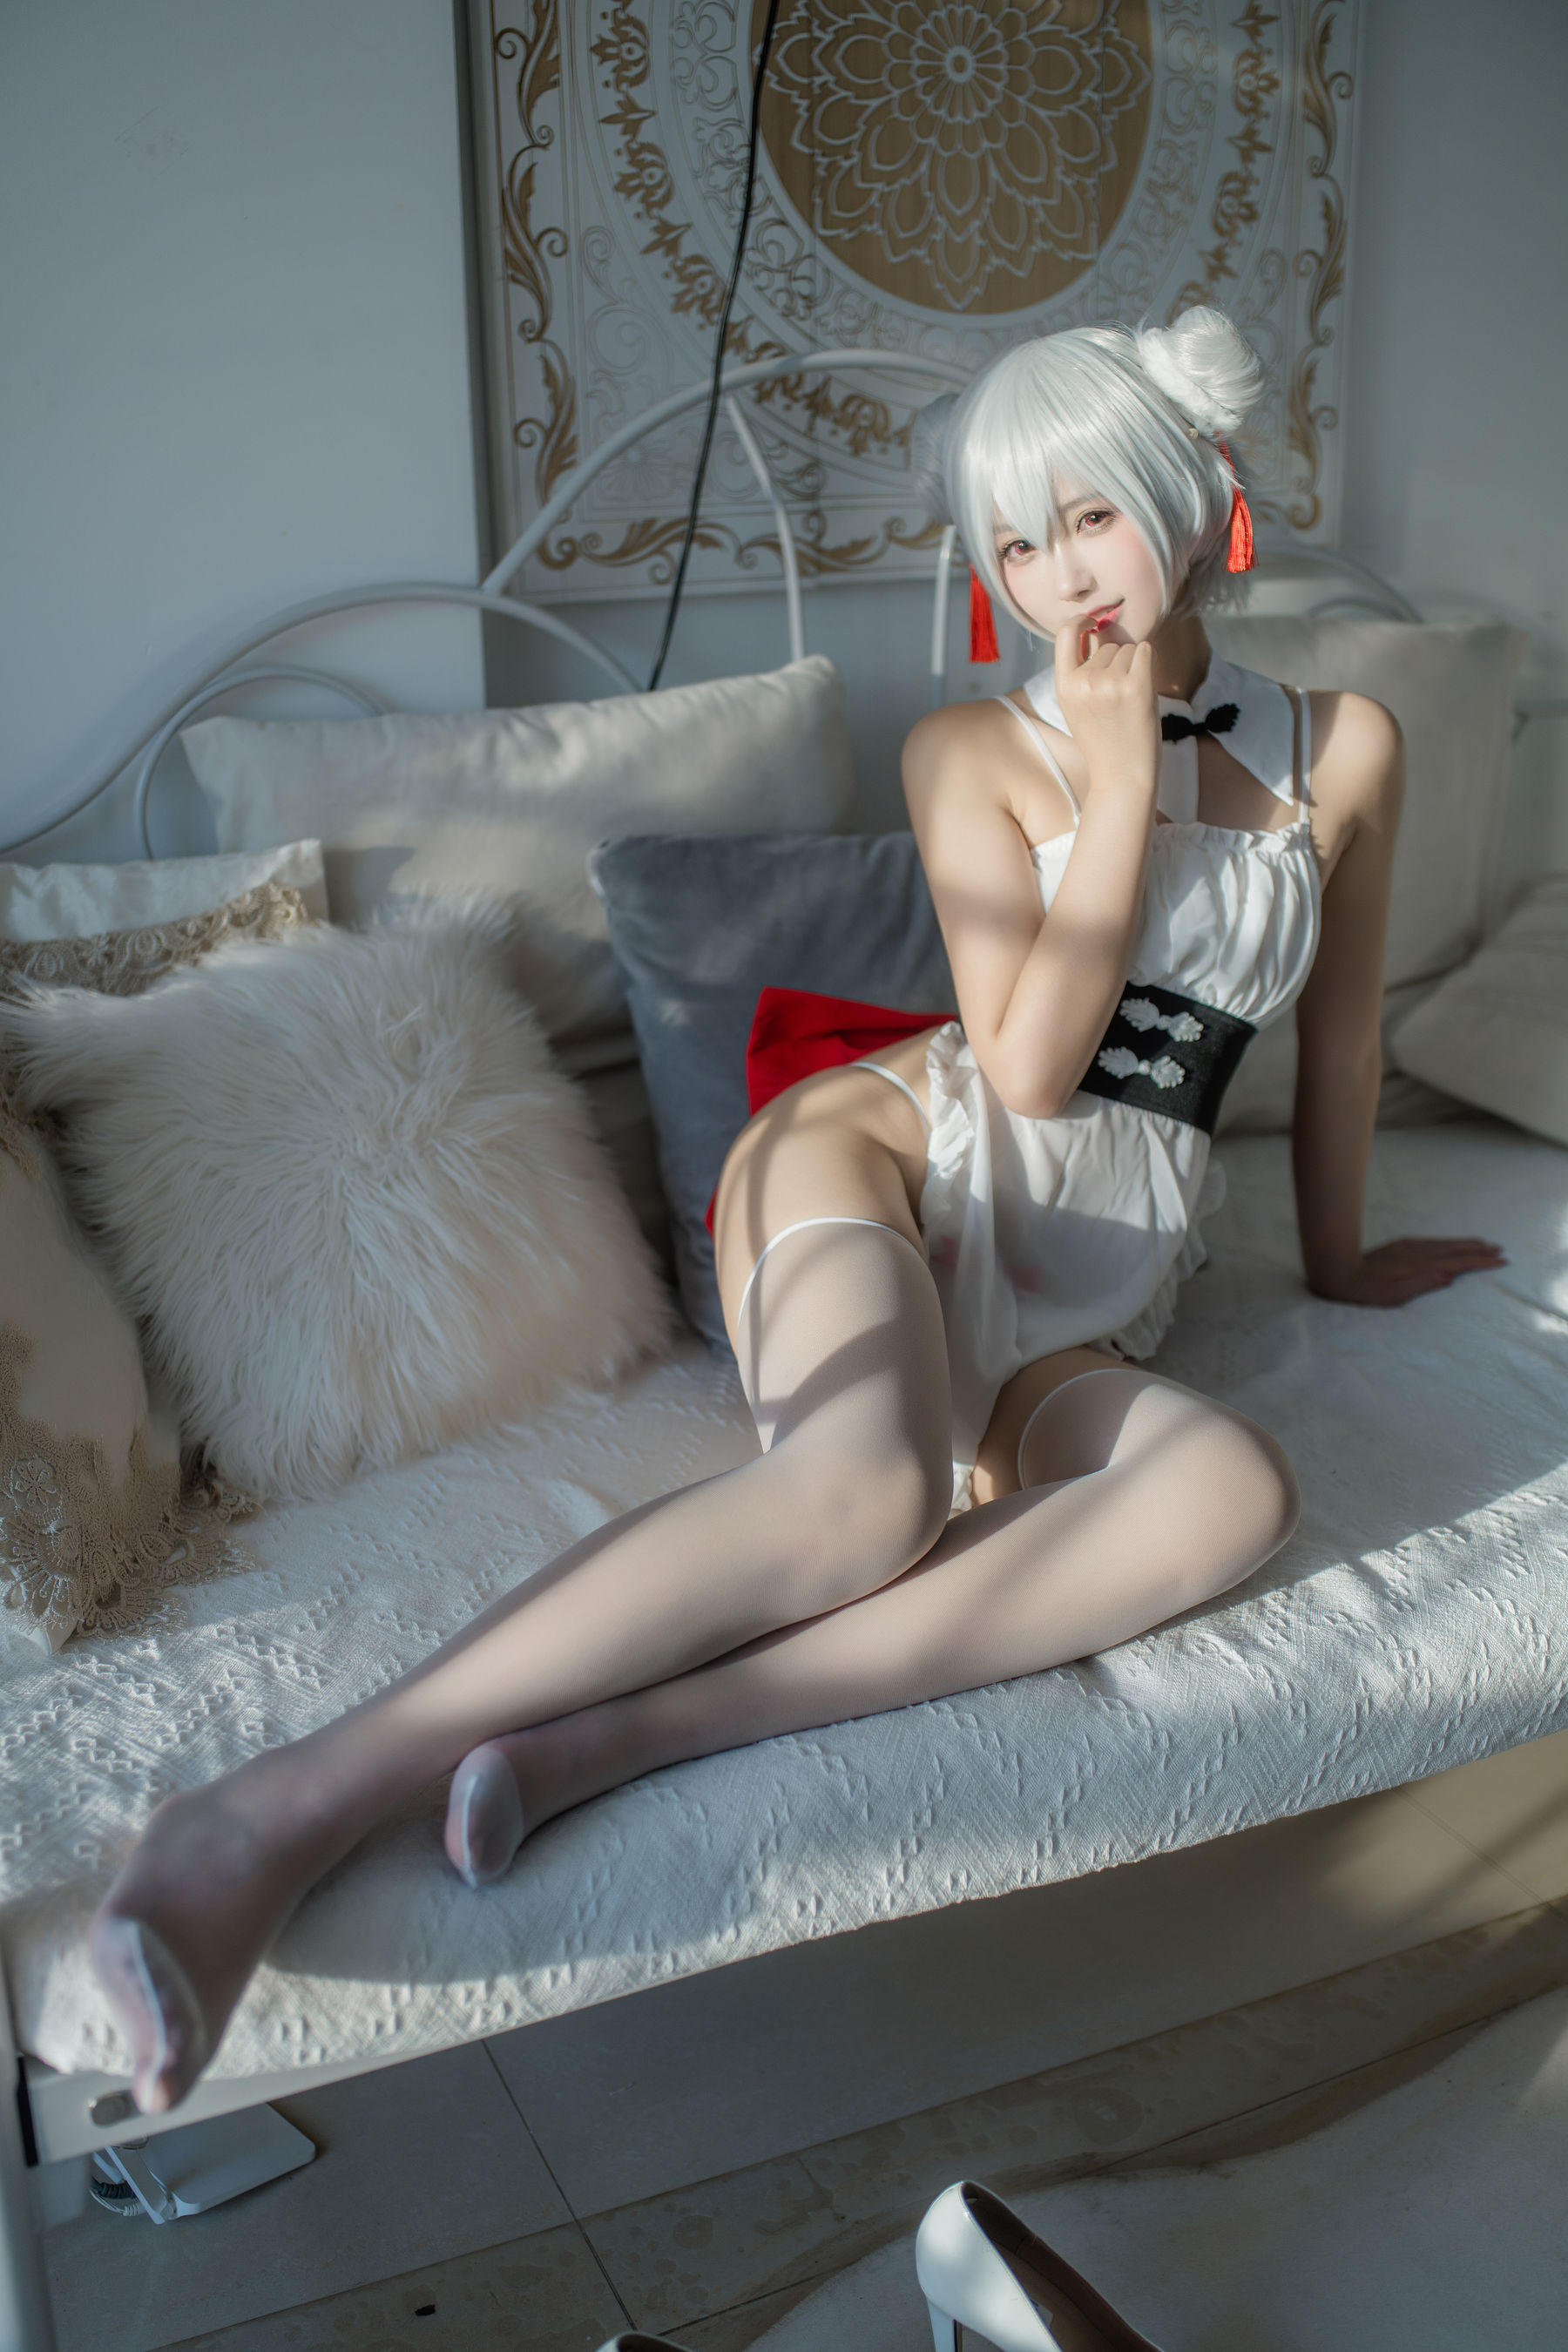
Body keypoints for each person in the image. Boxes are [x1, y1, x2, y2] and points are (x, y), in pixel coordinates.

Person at [89, 308, 1503, 2116]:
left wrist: (1344, 1259)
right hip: (878, 1163)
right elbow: (1033, 1070)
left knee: (1233, 1490)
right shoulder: (969, 754)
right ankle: (264, 1816)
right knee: (868, 1496)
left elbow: (1345, 1033)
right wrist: (1121, 781)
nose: (1059, 573)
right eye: (1016, 541)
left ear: (1187, 496)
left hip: (1096, 1280)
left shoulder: (1346, 747)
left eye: (1091, 517)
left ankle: (627, 1737)